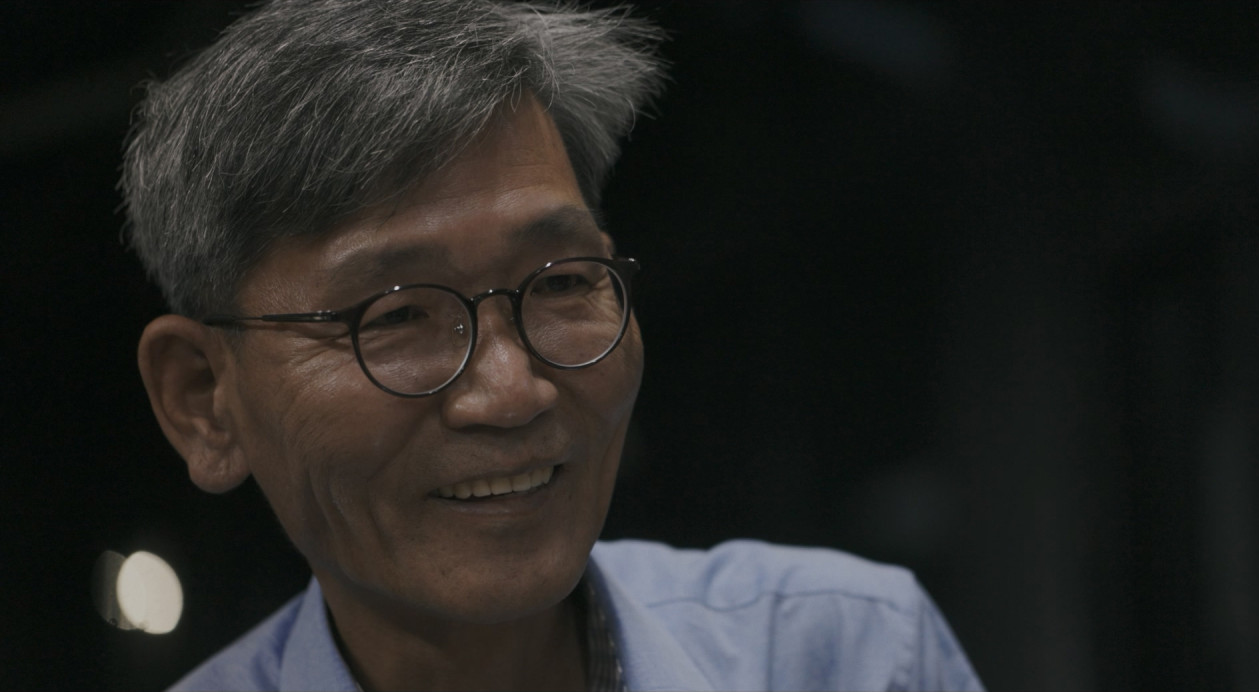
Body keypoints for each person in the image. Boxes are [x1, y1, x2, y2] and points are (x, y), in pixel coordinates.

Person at [122, 1, 983, 690]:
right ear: (204, 399)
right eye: (396, 316)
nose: (512, 391)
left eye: (563, 283)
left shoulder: (848, 657)